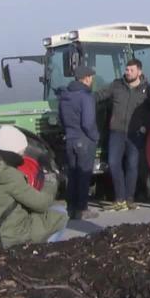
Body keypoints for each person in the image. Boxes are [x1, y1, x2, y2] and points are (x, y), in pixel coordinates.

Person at [0, 126, 67, 251]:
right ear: (13, 151)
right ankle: (37, 253)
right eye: (21, 151)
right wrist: (50, 179)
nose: (23, 154)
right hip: (7, 238)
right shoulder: (8, 175)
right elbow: (42, 204)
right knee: (60, 213)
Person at [95, 58, 150, 211]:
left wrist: (145, 127)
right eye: (127, 70)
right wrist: (81, 97)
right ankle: (119, 198)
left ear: (139, 72)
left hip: (135, 134)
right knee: (114, 163)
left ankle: (129, 198)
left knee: (132, 165)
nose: (127, 72)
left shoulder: (147, 90)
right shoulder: (117, 85)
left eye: (131, 70)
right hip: (117, 132)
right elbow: (99, 95)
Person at [58, 66, 100, 220]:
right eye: (91, 77)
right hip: (84, 140)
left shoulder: (65, 95)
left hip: (70, 139)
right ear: (87, 78)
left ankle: (71, 208)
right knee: (84, 174)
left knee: (72, 174)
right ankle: (82, 209)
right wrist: (95, 137)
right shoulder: (86, 96)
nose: (92, 80)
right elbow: (88, 123)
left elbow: (61, 119)